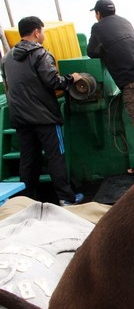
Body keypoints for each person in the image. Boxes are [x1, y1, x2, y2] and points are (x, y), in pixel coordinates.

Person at [0, 16, 84, 206]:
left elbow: (7, 86)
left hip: (20, 118)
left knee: (28, 160)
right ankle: (65, 197)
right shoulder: (41, 54)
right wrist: (73, 78)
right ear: (37, 32)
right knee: (56, 156)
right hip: (44, 117)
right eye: (43, 31)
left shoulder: (7, 58)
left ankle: (27, 201)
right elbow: (53, 82)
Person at [87, 0, 134, 175]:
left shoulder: (97, 27)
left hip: (133, 81)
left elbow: (91, 52)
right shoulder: (124, 21)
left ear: (98, 14)